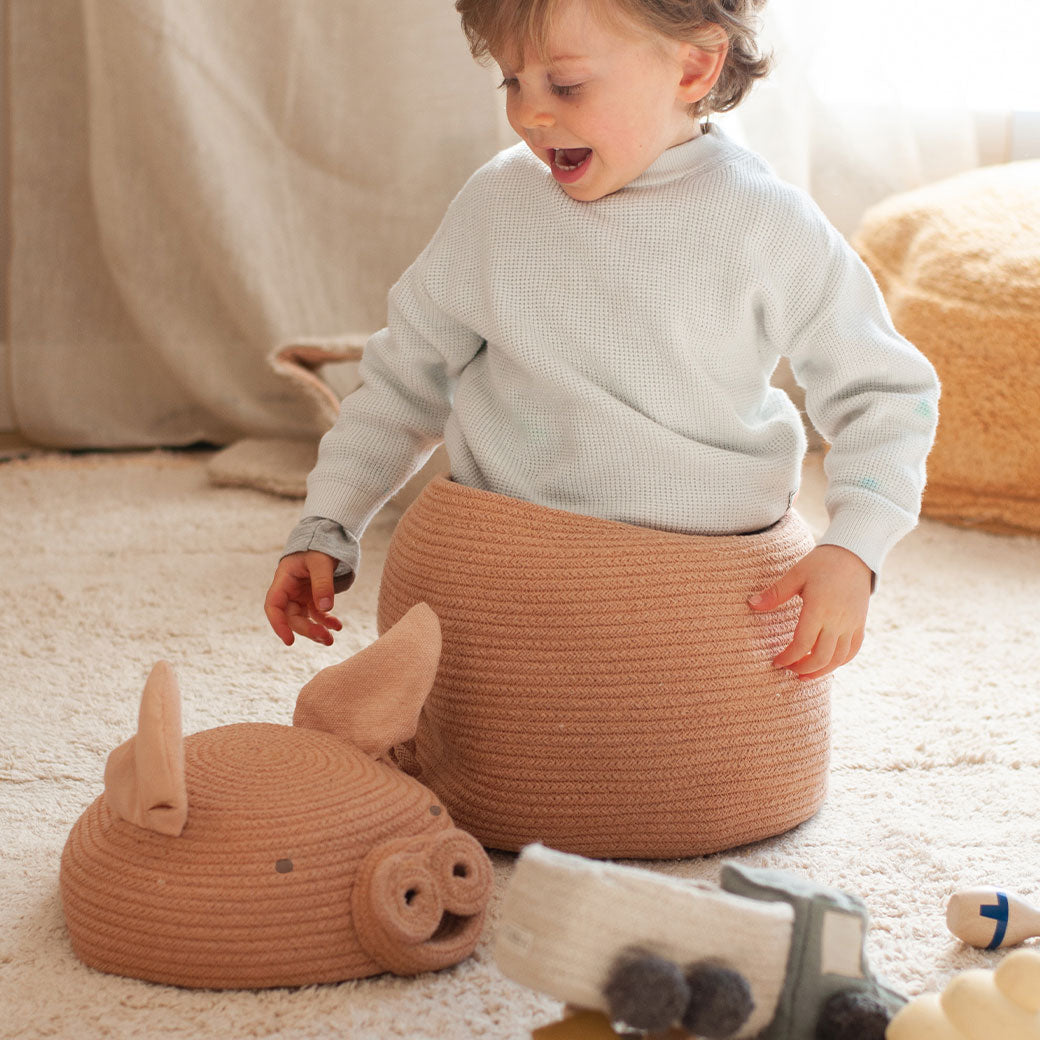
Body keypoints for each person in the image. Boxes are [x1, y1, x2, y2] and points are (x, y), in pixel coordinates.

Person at [264, 0, 939, 684]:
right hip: (497, 564)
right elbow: (403, 378)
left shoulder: (770, 223)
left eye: (566, 85)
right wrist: (329, 522)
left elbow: (886, 394)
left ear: (694, 67)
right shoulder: (495, 203)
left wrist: (855, 548)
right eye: (512, 81)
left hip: (704, 581)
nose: (531, 113)